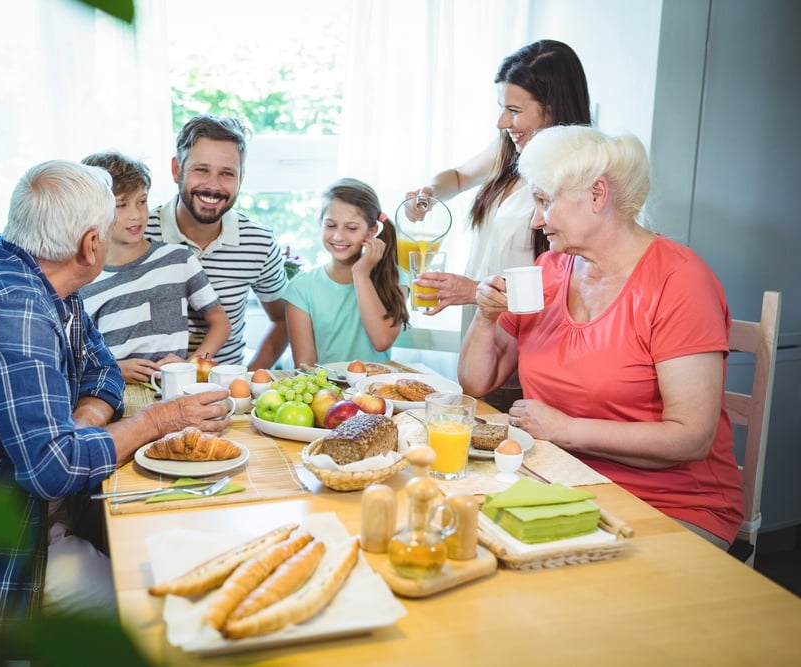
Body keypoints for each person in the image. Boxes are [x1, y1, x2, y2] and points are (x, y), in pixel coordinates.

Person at [0, 160, 232, 630]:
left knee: (154, 548)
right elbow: (53, 470)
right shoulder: (12, 312)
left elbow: (100, 367)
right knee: (164, 612)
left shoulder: (40, 272)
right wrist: (156, 421)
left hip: (13, 512)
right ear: (91, 244)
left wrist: (86, 417)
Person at [459, 125, 744, 549]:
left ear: (597, 195)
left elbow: (692, 436)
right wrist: (484, 317)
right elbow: (476, 383)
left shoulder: (679, 281)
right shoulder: (550, 270)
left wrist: (566, 429)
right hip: (561, 480)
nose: (536, 219)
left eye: (544, 201)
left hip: (670, 504)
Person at [409, 40, 591, 410]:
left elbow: (567, 287)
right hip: (487, 334)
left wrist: (474, 290)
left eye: (513, 110)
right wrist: (430, 193)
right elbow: (459, 177)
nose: (502, 122)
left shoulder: (576, 176)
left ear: (552, 109)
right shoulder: (513, 149)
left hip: (523, 355)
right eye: (501, 108)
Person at [144, 114, 289, 370]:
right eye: (201, 170)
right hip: (149, 388)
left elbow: (283, 320)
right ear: (177, 170)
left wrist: (248, 379)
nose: (213, 186)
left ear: (241, 178)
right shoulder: (140, 233)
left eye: (227, 174)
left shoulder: (259, 242)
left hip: (224, 393)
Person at [78, 151, 231, 384]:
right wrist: (115, 369)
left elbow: (220, 322)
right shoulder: (84, 280)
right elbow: (76, 354)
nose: (136, 215)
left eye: (142, 201)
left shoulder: (178, 259)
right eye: (121, 205)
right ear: (93, 210)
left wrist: (192, 365)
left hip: (175, 391)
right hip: (115, 393)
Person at [284, 178, 409, 366]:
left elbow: (382, 341)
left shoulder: (395, 277)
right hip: (324, 391)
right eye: (330, 225)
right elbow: (305, 366)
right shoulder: (302, 287)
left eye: (351, 228)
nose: (338, 236)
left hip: (373, 391)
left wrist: (361, 274)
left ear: (371, 231)